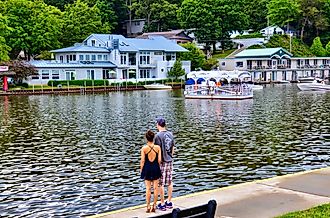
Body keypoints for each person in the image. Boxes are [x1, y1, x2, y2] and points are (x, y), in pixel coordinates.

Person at [155, 117, 175, 211]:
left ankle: (162, 203)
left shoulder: (158, 136)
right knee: (170, 182)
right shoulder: (170, 134)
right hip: (170, 160)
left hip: (162, 161)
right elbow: (173, 148)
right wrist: (171, 157)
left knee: (161, 183)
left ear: (158, 124)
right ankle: (169, 201)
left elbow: (157, 150)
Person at [140, 130, 162, 213]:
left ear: (146, 138)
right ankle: (154, 205)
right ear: (153, 138)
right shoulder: (158, 148)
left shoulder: (144, 148)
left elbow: (142, 161)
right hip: (156, 167)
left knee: (148, 188)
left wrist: (141, 169)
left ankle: (148, 206)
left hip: (147, 168)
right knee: (156, 188)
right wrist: (157, 167)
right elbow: (159, 160)